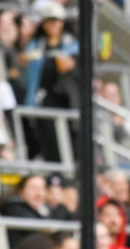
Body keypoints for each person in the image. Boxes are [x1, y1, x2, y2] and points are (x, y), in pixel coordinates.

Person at [22, 2, 78, 162]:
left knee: (69, 141)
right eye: (49, 21)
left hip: (67, 100)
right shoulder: (35, 46)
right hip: (43, 99)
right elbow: (27, 73)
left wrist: (71, 64)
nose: (53, 25)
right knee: (48, 140)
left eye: (57, 21)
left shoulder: (73, 45)